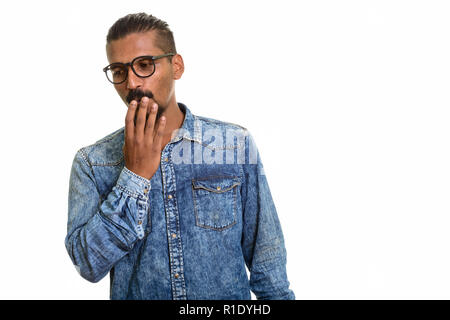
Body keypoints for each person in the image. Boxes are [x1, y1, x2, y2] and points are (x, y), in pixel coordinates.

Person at [65, 12, 295, 300]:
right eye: (119, 70)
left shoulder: (233, 146)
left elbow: (269, 266)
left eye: (145, 65)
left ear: (176, 66)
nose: (132, 82)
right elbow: (88, 264)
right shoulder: (92, 163)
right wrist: (134, 177)